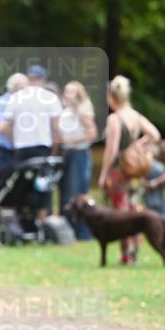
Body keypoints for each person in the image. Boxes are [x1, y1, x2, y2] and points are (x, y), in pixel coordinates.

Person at [98, 75, 161, 265]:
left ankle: (126, 254)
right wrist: (138, 145)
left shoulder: (115, 119)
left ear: (112, 97)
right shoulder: (134, 115)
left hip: (120, 172)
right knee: (135, 211)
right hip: (134, 172)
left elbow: (111, 149)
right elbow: (155, 134)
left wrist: (103, 174)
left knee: (121, 214)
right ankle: (134, 252)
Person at [2, 64, 62, 218]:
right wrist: (55, 147)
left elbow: (7, 126)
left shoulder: (15, 98)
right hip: (42, 147)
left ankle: (19, 219)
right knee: (42, 186)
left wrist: (14, 141)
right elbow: (55, 126)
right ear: (43, 80)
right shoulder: (50, 98)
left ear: (29, 79)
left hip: (22, 148)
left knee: (20, 184)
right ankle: (42, 220)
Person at [59, 80, 97, 239]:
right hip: (66, 155)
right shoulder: (66, 112)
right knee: (65, 193)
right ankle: (67, 230)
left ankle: (82, 231)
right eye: (66, 91)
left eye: (71, 92)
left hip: (78, 155)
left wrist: (71, 141)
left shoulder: (82, 113)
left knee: (77, 194)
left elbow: (92, 134)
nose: (67, 95)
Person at [0, 73, 28, 179]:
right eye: (17, 87)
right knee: (4, 176)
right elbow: (1, 126)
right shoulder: (2, 102)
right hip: (5, 147)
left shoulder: (27, 102)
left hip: (23, 147)